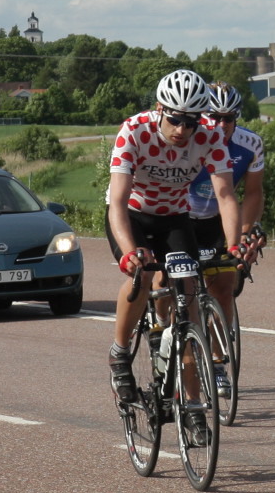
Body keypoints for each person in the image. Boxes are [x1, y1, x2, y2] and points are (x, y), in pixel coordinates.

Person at [104, 69, 243, 443]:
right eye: (176, 119)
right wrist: (129, 253)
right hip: (132, 214)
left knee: (189, 307)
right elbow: (118, 201)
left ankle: (193, 405)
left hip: (174, 218)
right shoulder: (134, 131)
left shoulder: (210, 136)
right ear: (159, 109)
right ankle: (119, 354)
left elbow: (226, 195)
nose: (183, 130)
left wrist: (234, 247)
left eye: (191, 121)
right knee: (144, 275)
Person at [190, 82, 267, 400]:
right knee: (174, 284)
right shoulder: (188, 140)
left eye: (229, 119)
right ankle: (166, 331)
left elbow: (253, 193)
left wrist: (245, 232)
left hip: (220, 219)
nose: (222, 125)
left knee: (223, 288)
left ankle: (218, 363)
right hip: (180, 216)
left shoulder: (250, 144)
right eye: (215, 118)